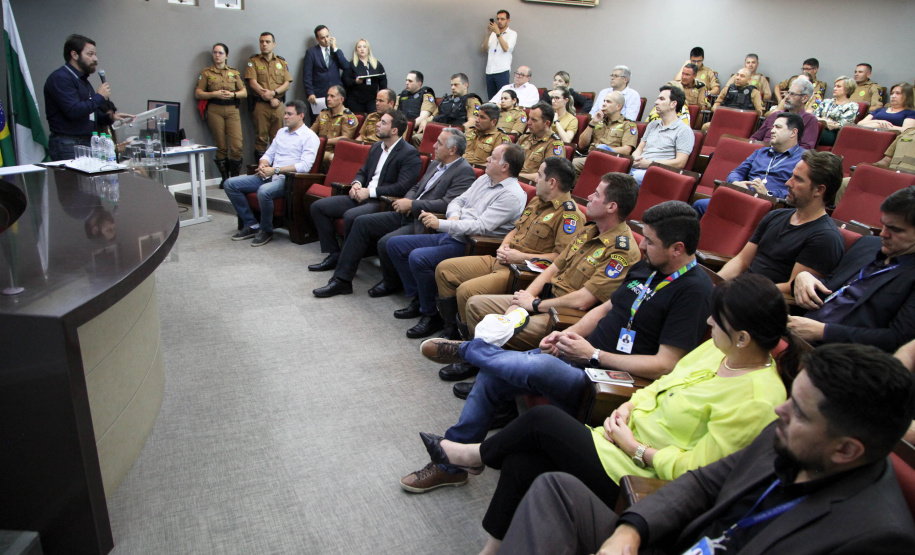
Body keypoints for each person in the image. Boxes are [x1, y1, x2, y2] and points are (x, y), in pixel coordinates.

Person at [419, 274, 797, 555]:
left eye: (717, 320)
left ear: (744, 337)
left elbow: (697, 474)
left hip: (638, 475)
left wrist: (636, 448)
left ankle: (470, 456)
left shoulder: (759, 399)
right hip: (614, 439)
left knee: (540, 422)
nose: (709, 323)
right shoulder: (718, 352)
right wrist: (631, 406)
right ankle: (493, 549)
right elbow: (661, 385)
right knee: (523, 458)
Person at [400, 201, 713, 493]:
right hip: (581, 352)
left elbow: (666, 365)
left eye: (650, 241)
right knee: (494, 376)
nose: (641, 246)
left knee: (535, 365)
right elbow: (604, 310)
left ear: (677, 249)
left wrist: (592, 354)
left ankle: (469, 350)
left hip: (609, 380)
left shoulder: (694, 291)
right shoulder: (650, 266)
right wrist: (567, 336)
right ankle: (452, 462)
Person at [498, 343, 915, 555]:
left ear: (846, 450)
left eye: (799, 411)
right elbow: (700, 484)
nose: (779, 410)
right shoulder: (789, 437)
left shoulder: (876, 537)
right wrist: (630, 531)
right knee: (555, 489)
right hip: (677, 544)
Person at [462, 171, 642, 353]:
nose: (589, 197)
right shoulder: (589, 230)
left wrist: (534, 305)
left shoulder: (621, 251)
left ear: (611, 207)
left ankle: (481, 361)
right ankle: (479, 359)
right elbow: (554, 267)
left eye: (596, 194)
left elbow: (583, 300)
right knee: (476, 304)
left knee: (506, 330)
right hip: (543, 300)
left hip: (564, 314)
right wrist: (522, 301)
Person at [433, 157, 587, 347]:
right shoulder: (538, 201)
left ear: (552, 183)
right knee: (445, 269)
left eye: (539, 176)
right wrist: (504, 246)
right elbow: (516, 229)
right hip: (502, 258)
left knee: (467, 291)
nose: (535, 180)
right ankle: (452, 329)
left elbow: (560, 259)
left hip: (519, 271)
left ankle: (468, 345)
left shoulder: (569, 216)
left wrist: (521, 257)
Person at [386, 143, 528, 339]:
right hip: (452, 231)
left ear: (505, 167)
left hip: (470, 244)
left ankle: (431, 314)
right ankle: (422, 300)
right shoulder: (485, 179)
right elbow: (458, 201)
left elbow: (481, 226)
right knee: (395, 245)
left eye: (493, 157)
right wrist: (452, 218)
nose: (487, 159)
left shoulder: (512, 195)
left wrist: (442, 224)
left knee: (419, 258)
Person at [311, 128, 474, 298]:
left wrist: (412, 204)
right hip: (406, 213)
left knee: (386, 242)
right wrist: (407, 201)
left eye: (439, 143)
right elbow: (416, 187)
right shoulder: (435, 164)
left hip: (424, 221)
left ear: (452, 150)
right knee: (361, 222)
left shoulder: (464, 171)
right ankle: (342, 280)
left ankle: (391, 282)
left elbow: (447, 204)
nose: (433, 145)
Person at [788, 186, 915, 352]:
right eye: (883, 225)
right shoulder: (868, 245)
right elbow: (831, 288)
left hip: (842, 357)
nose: (883, 234)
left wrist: (823, 332)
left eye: (895, 230)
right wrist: (804, 277)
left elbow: (897, 339)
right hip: (798, 333)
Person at [307, 109, 421, 273]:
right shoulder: (376, 147)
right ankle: (334, 254)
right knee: (318, 207)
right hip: (361, 194)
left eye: (383, 122)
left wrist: (370, 192)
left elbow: (402, 187)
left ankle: (347, 261)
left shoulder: (409, 153)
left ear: (394, 130)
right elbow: (363, 171)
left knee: (351, 216)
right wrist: (356, 184)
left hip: (381, 201)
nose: (377, 125)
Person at [719, 150, 845, 295]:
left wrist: (743, 294)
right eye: (791, 176)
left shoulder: (825, 237)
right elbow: (742, 261)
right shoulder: (775, 215)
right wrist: (717, 284)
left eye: (798, 179)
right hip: (740, 292)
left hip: (763, 303)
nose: (787, 183)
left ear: (819, 190)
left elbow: (792, 287)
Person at [224, 100, 319, 247]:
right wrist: (263, 164)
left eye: (289, 114)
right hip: (269, 174)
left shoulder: (310, 137)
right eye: (285, 113)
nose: (285, 117)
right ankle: (252, 224)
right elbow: (269, 153)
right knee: (230, 184)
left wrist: (275, 169)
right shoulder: (281, 132)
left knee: (264, 191)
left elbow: (305, 166)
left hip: (289, 180)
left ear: (301, 115)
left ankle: (266, 229)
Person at [693, 113, 805, 216]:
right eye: (773, 127)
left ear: (793, 132)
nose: (772, 131)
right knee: (700, 205)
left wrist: (768, 193)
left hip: (772, 207)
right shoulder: (761, 152)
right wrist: (736, 183)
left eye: (778, 127)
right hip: (744, 198)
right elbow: (736, 172)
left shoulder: (803, 160)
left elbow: (800, 192)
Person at [43, 34, 133, 161]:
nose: (95, 59)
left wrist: (110, 117)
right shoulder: (61, 78)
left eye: (95, 54)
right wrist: (99, 96)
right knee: (73, 181)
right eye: (90, 54)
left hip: (85, 142)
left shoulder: (82, 80)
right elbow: (73, 111)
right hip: (68, 144)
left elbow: (89, 113)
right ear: (74, 55)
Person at [195, 42, 246, 187]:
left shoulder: (234, 72)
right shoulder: (206, 73)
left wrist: (233, 94)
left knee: (237, 145)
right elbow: (198, 93)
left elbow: (244, 92)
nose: (217, 55)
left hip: (232, 109)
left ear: (226, 55)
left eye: (220, 53)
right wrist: (214, 94)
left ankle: (234, 179)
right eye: (215, 52)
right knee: (221, 146)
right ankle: (225, 178)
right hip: (215, 109)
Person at [629, 86, 694, 185]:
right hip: (638, 167)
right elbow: (640, 148)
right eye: (657, 98)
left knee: (628, 179)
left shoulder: (684, 130)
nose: (656, 102)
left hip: (658, 173)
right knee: (613, 170)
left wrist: (650, 164)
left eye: (661, 99)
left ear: (673, 104)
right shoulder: (652, 125)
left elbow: (680, 162)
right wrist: (635, 158)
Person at [245, 32, 292, 159]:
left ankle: (276, 171)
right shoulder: (254, 61)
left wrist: (274, 94)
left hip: (278, 105)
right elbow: (252, 83)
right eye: (262, 42)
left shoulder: (281, 62)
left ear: (274, 44)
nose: (264, 44)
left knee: (279, 138)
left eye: (267, 42)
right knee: (261, 138)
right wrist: (270, 97)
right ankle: (261, 171)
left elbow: (287, 84)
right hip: (261, 105)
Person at [573, 92, 638, 177]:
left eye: (608, 102)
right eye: (604, 101)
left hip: (611, 160)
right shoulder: (598, 121)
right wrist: (592, 123)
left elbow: (626, 150)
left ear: (618, 106)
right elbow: (582, 145)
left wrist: (602, 150)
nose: (604, 104)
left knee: (573, 164)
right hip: (591, 157)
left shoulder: (628, 125)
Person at [411, 73, 482, 147]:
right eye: (451, 85)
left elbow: (472, 122)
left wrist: (454, 131)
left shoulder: (472, 100)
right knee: (416, 138)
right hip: (440, 132)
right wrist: (425, 121)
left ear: (466, 85)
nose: (453, 87)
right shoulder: (446, 100)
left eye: (456, 85)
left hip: (456, 135)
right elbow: (433, 116)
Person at [752, 78, 820, 149]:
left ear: (804, 98)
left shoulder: (810, 120)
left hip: (787, 158)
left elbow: (805, 149)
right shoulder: (775, 115)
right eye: (787, 93)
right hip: (762, 154)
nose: (786, 97)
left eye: (792, 94)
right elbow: (755, 138)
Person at [303, 25, 348, 116]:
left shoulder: (335, 52)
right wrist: (310, 93)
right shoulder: (311, 53)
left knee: (338, 119)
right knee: (319, 121)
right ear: (317, 39)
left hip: (336, 93)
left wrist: (335, 48)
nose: (326, 40)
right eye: (322, 38)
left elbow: (346, 66)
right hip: (319, 94)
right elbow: (307, 75)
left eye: (327, 36)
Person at [310, 85, 358, 170]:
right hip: (317, 147)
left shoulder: (348, 116)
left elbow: (346, 139)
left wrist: (324, 141)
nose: (328, 99)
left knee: (321, 156)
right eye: (328, 95)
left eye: (332, 96)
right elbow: (310, 132)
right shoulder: (323, 114)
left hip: (333, 151)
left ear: (341, 100)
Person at [517, 102, 564, 182]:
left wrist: (517, 176)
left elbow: (548, 174)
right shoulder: (524, 138)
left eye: (534, 120)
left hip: (532, 186)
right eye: (529, 118)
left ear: (547, 123)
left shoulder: (554, 144)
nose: (528, 122)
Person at [341, 38, 387, 114]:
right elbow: (345, 80)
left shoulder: (376, 64)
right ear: (356, 50)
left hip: (372, 99)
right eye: (359, 47)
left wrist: (382, 96)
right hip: (355, 100)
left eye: (364, 47)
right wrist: (355, 82)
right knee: (358, 121)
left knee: (373, 119)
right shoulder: (351, 64)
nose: (362, 49)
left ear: (368, 49)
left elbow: (383, 80)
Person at [814, 76, 860, 147]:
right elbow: (813, 116)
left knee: (807, 131)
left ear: (848, 89)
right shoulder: (826, 101)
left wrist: (822, 121)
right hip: (817, 127)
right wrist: (825, 121)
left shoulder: (852, 106)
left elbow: (842, 124)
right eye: (835, 86)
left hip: (833, 134)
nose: (835, 88)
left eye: (838, 86)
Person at [482, 10, 517, 100]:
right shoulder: (492, 34)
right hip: (489, 71)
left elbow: (506, 48)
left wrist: (498, 33)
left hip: (502, 71)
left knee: (503, 99)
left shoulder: (512, 34)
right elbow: (484, 49)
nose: (499, 21)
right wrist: (488, 34)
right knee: (492, 100)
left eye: (502, 19)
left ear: (508, 20)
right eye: (498, 19)